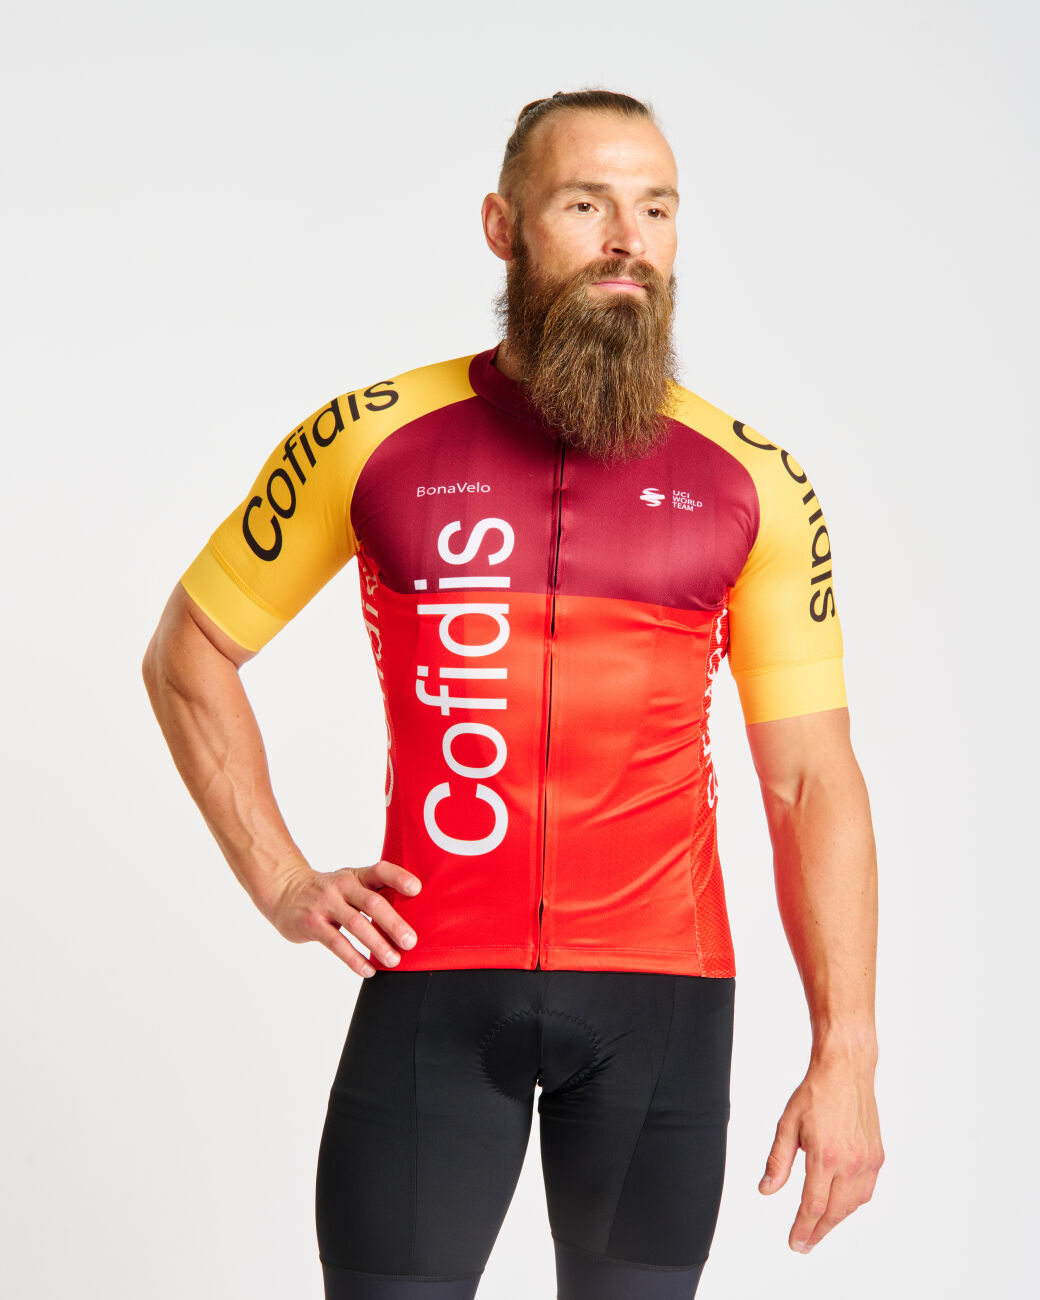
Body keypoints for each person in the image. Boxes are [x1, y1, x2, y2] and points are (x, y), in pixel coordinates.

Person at [143, 89, 883, 1300]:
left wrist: (845, 1050)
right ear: (502, 225)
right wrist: (280, 878)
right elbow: (187, 654)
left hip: (661, 1002)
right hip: (432, 987)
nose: (626, 239)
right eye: (585, 204)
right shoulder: (368, 437)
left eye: (655, 209)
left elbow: (810, 780)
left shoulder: (751, 478)